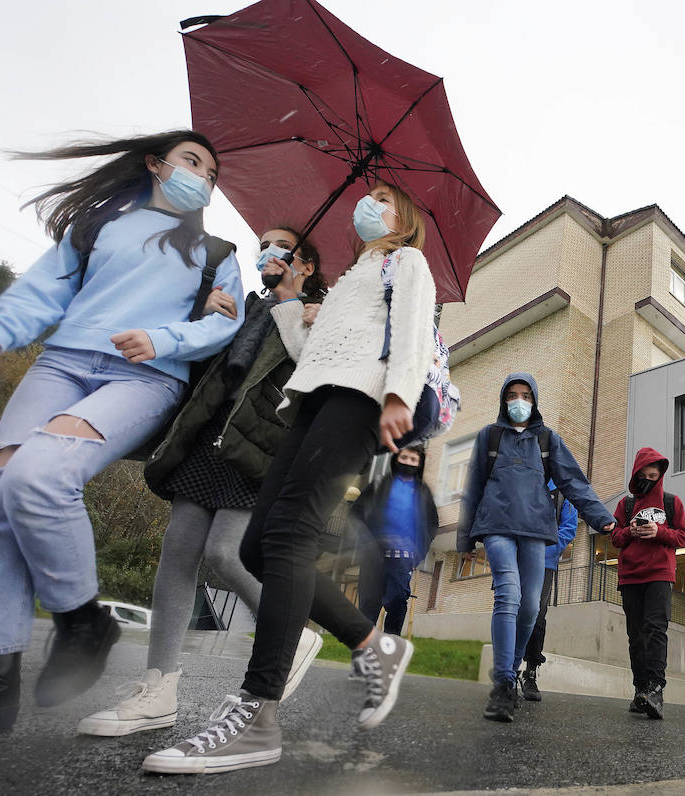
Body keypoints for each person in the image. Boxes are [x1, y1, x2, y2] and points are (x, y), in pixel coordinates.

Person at [0, 131, 244, 743]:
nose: (203, 178)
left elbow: (225, 325)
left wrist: (165, 340)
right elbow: (43, 292)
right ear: (155, 165)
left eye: (212, 174)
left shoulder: (217, 252)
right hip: (60, 363)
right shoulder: (97, 227)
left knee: (40, 474)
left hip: (146, 377)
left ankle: (84, 622)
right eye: (193, 162)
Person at [143, 182, 435, 774]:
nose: (369, 202)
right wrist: (293, 307)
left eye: (384, 198)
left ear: (403, 220)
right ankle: (373, 643)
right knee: (257, 546)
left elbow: (413, 330)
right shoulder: (355, 275)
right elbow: (310, 356)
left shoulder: (405, 262)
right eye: (369, 194)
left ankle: (259, 714)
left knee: (292, 536)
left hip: (363, 398)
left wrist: (400, 395)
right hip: (311, 401)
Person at [78, 227, 329, 737]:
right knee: (177, 553)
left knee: (223, 553)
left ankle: (290, 631)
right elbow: (202, 367)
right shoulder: (240, 304)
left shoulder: (322, 313)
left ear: (303, 261)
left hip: (259, 446)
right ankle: (159, 689)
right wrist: (208, 315)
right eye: (262, 245)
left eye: (279, 246)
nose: (266, 253)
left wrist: (318, 321)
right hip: (208, 437)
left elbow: (319, 384)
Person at [457, 373, 616, 723]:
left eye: (526, 395)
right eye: (512, 395)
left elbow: (574, 482)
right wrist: (465, 538)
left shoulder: (547, 440)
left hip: (535, 532)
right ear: (504, 399)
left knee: (531, 607)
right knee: (509, 595)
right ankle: (501, 684)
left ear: (535, 400)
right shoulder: (490, 436)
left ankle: (511, 671)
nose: (519, 401)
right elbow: (473, 486)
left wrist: (603, 519)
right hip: (496, 527)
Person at [610, 447, 685, 720]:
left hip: (659, 575)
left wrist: (659, 531)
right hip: (630, 576)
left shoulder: (672, 502)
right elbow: (615, 537)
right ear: (635, 474)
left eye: (653, 475)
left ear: (661, 475)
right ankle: (640, 690)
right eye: (643, 475)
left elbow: (683, 537)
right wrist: (630, 531)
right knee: (636, 635)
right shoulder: (626, 505)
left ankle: (656, 691)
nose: (648, 480)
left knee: (656, 631)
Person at [351, 445, 438, 635]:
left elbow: (432, 524)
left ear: (420, 463)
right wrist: (366, 542)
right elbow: (356, 512)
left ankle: (391, 646)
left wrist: (418, 554)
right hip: (373, 557)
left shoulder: (423, 492)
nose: (408, 463)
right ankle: (364, 651)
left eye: (413, 460)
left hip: (403, 557)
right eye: (404, 457)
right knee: (368, 606)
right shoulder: (379, 484)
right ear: (396, 458)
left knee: (398, 601)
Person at [519, 479, 578, 701]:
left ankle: (531, 672)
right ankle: (506, 672)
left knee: (536, 616)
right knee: (509, 611)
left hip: (544, 563)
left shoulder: (564, 495)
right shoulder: (523, 481)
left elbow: (569, 528)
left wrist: (544, 552)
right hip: (515, 560)